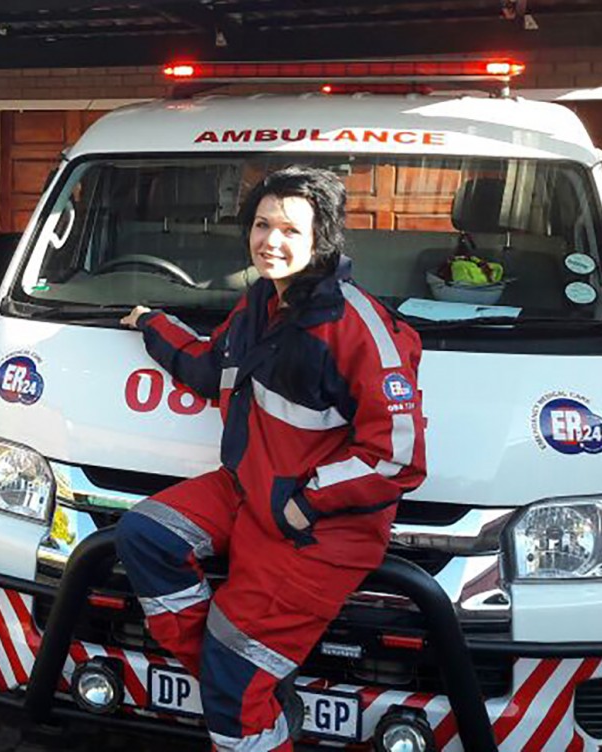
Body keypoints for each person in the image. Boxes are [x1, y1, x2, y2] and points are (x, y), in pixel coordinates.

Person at [115, 165, 427, 751]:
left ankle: (237, 686)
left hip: (315, 530)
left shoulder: (355, 327)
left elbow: (398, 456)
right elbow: (212, 368)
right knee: (145, 535)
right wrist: (153, 324)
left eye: (289, 229)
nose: (270, 241)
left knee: (235, 702)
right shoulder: (262, 300)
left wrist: (305, 502)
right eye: (261, 225)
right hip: (249, 489)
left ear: (322, 239)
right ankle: (230, 673)